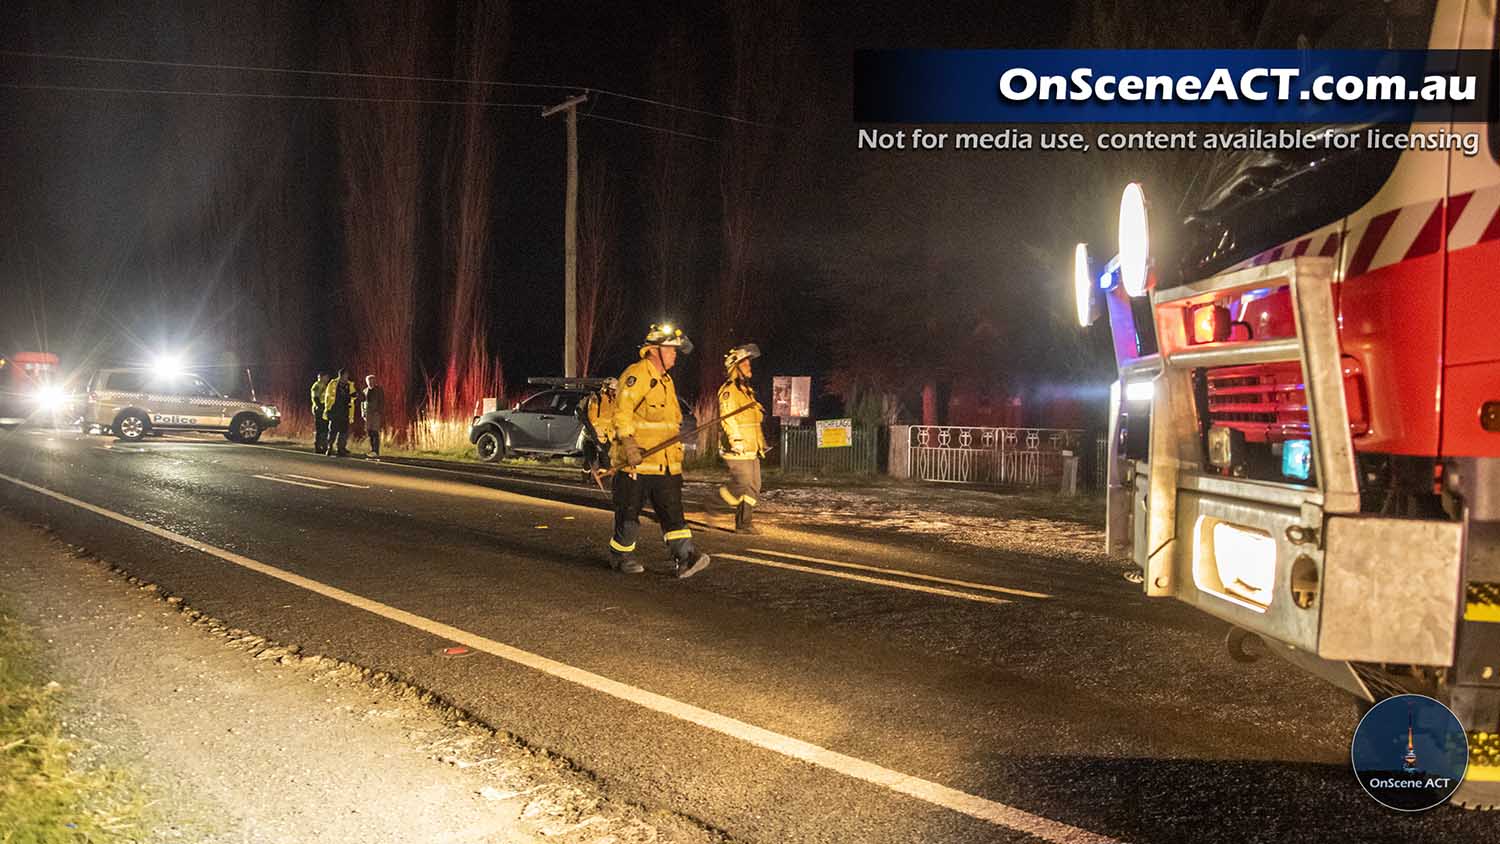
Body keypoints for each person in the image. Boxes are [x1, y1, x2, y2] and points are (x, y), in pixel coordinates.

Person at [607, 324, 710, 578]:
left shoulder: (666, 382)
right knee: (629, 515)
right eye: (671, 349)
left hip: (665, 464)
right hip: (637, 464)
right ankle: (620, 557)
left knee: (673, 513)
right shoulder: (637, 375)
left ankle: (685, 557)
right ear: (654, 350)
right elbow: (622, 413)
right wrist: (629, 444)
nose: (675, 354)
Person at [717, 344, 767, 533]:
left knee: (754, 486)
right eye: (744, 363)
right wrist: (735, 440)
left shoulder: (747, 391)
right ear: (734, 367)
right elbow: (727, 417)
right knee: (744, 484)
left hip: (751, 446)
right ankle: (715, 503)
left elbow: (753, 421)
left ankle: (744, 522)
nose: (749, 365)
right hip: (738, 447)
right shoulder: (729, 390)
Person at [581, 377, 618, 471]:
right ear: (606, 388)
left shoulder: (614, 400)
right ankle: (586, 474)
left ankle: (602, 479)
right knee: (590, 460)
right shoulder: (596, 398)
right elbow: (592, 417)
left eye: (615, 390)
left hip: (607, 436)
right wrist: (594, 432)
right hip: (593, 435)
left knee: (606, 463)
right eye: (612, 390)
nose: (613, 392)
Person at [323, 368, 358, 457]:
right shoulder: (333, 383)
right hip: (335, 411)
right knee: (333, 431)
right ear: (340, 375)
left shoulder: (350, 385)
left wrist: (354, 395)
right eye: (345, 375)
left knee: (343, 432)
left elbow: (354, 395)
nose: (347, 377)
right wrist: (328, 409)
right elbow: (328, 396)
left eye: (347, 375)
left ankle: (341, 449)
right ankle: (329, 448)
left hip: (345, 411)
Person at [362, 374, 385, 458]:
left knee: (375, 431)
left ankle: (376, 450)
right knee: (369, 432)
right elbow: (362, 403)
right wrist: (363, 413)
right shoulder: (365, 391)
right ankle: (372, 449)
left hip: (375, 413)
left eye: (372, 381)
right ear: (366, 382)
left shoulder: (379, 390)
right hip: (367, 414)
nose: (370, 382)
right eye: (369, 381)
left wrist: (379, 411)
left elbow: (382, 401)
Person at [309, 371, 330, 454]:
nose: (328, 378)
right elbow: (315, 397)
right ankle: (318, 446)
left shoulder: (325, 386)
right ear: (321, 377)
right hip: (319, 409)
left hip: (324, 408)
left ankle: (324, 446)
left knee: (325, 428)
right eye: (326, 377)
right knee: (320, 428)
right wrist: (320, 406)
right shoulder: (317, 385)